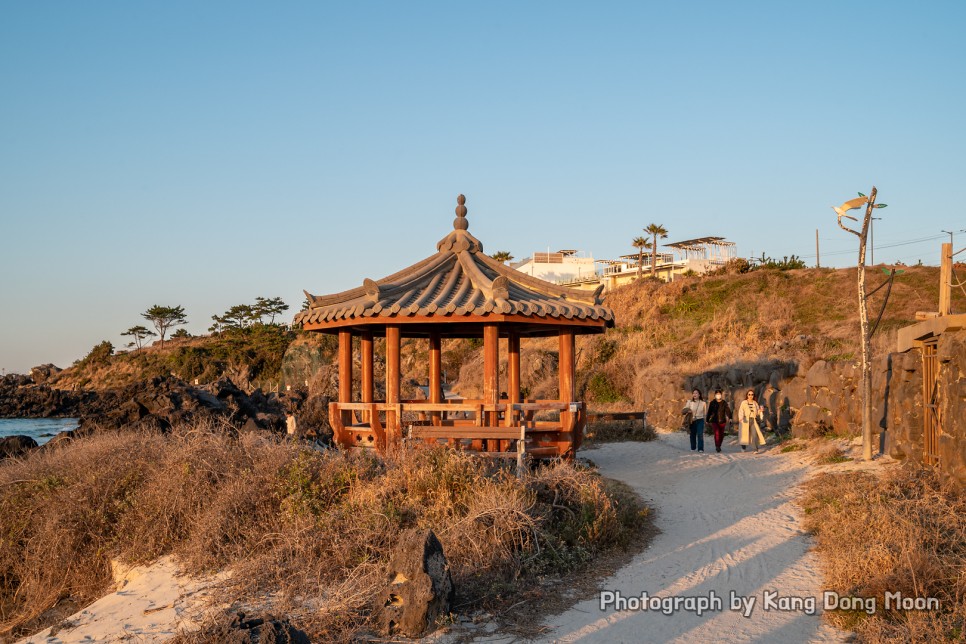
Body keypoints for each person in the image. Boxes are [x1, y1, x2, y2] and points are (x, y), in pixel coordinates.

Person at [737, 389, 766, 454]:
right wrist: (740, 418)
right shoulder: (744, 402)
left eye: (752, 394)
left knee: (754, 434)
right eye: (749, 394)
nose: (750, 396)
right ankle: (743, 447)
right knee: (744, 435)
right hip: (745, 420)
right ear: (747, 395)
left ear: (753, 395)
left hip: (753, 420)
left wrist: (760, 411)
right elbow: (741, 410)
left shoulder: (755, 403)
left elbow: (757, 412)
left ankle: (755, 449)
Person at [706, 388, 732, 453]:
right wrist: (707, 419)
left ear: (721, 395)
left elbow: (727, 410)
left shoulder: (724, 403)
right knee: (717, 433)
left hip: (722, 421)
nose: (718, 395)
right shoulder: (712, 403)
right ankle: (717, 446)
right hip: (714, 421)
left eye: (719, 394)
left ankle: (719, 445)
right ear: (715, 395)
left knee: (721, 434)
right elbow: (709, 412)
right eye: (717, 394)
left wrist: (730, 417)